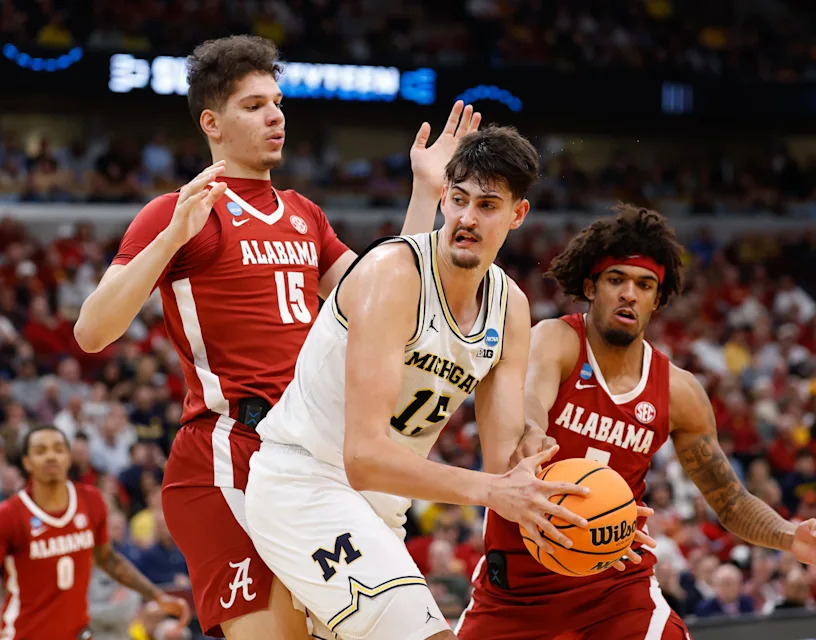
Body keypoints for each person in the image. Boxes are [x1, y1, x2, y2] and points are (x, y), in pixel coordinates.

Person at [74, 35, 480, 639]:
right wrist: (169, 239)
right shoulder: (181, 210)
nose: (275, 116)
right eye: (254, 105)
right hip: (228, 450)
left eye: (279, 102)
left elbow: (391, 299)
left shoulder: (304, 212)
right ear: (211, 122)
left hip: (306, 454)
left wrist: (427, 193)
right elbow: (91, 332)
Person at [243, 127, 650, 640]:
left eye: (487, 205)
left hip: (381, 505)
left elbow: (505, 458)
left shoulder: (510, 305)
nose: (467, 218)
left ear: (517, 215)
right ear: (443, 198)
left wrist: (581, 512)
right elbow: (363, 457)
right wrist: (496, 491)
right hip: (305, 483)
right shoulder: (394, 273)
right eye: (458, 200)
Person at [455, 205, 816, 640]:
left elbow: (731, 501)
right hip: (518, 593)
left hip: (617, 588)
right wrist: (530, 436)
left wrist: (790, 536)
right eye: (616, 280)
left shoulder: (679, 391)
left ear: (657, 299)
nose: (629, 294)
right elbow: (531, 406)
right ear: (591, 287)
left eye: (644, 285)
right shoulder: (557, 340)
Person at [0, 425, 190, 640]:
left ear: (68, 457)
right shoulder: (9, 514)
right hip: (24, 634)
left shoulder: (91, 500)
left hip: (78, 633)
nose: (51, 456)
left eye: (58, 449)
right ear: (27, 462)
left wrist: (157, 596)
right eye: (41, 451)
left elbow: (109, 560)